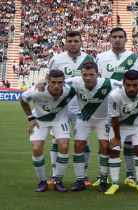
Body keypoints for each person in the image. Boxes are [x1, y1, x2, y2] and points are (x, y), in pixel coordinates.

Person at [96, 27, 138, 188]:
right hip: (104, 105)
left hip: (127, 105)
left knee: (130, 142)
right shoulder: (101, 57)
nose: (117, 39)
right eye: (114, 36)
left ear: (126, 39)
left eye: (120, 37)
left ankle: (129, 175)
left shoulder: (133, 58)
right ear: (109, 39)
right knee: (105, 143)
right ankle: (103, 176)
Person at [48, 31, 95, 187]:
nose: (73, 43)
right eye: (70, 41)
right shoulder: (56, 59)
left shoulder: (89, 59)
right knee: (57, 140)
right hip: (62, 107)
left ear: (81, 42)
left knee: (83, 141)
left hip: (83, 106)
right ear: (65, 43)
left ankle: (83, 176)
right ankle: (55, 176)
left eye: (76, 41)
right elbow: (50, 81)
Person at [66, 61, 122, 192]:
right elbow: (58, 81)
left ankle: (103, 178)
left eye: (91, 74)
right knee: (78, 144)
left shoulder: (109, 83)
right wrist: (43, 81)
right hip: (84, 119)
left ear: (98, 74)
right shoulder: (75, 81)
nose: (88, 78)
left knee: (104, 145)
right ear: (81, 74)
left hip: (103, 120)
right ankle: (80, 179)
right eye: (85, 75)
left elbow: (125, 85)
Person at [19, 70, 76, 192]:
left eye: (60, 82)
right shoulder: (37, 91)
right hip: (40, 120)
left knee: (64, 146)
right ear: (48, 81)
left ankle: (58, 180)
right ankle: (42, 181)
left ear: (64, 82)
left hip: (60, 119)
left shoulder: (69, 89)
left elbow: (82, 81)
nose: (56, 85)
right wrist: (30, 118)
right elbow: (22, 99)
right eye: (53, 82)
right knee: (36, 148)